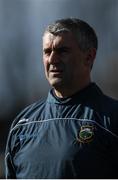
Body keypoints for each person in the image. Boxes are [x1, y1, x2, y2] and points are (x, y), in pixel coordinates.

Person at [5, 18, 118, 179]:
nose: (52, 59)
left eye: (62, 51)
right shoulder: (22, 124)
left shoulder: (111, 119)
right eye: (47, 51)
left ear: (89, 57)